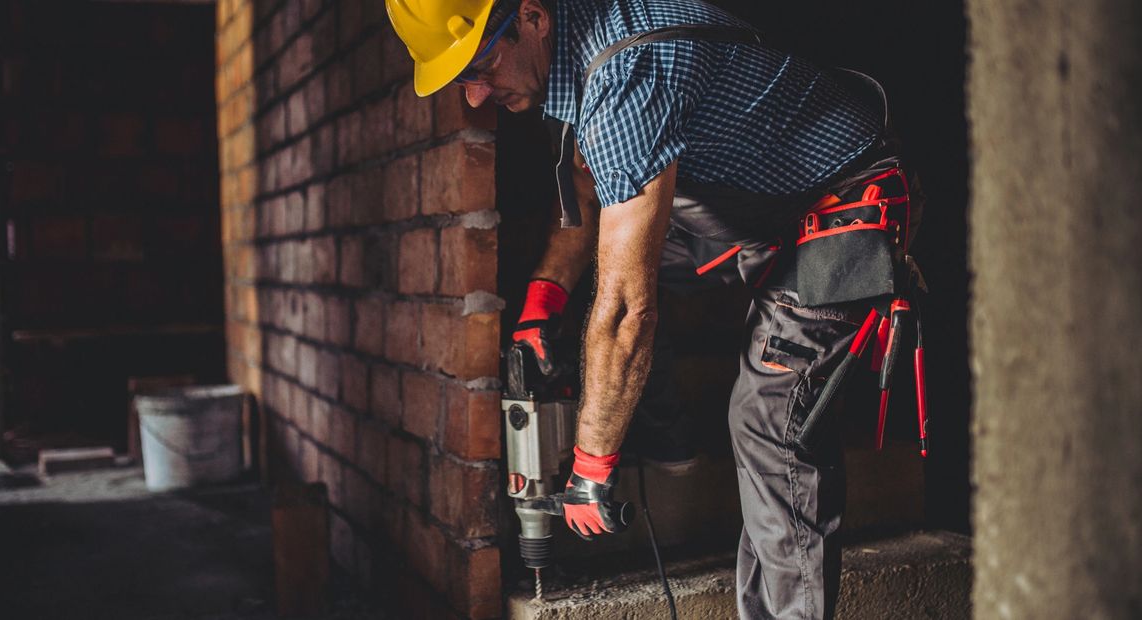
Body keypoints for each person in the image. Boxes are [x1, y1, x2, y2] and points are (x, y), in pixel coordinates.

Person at [386, 1, 923, 618]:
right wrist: (546, 293)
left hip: (846, 203)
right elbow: (595, 182)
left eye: (481, 64)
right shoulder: (580, 46)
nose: (476, 95)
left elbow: (625, 312)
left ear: (531, 16)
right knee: (609, 293)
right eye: (462, 80)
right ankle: (670, 441)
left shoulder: (628, 73)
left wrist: (591, 463)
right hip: (760, 207)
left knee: (768, 422)